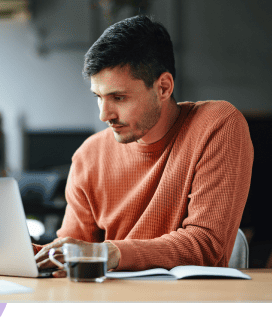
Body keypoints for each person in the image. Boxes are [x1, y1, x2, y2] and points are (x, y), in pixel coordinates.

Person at [34, 15, 254, 276]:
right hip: (107, 305)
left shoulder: (217, 124)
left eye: (119, 97)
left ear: (163, 87)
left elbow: (205, 245)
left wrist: (111, 252)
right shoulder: (89, 155)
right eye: (99, 97)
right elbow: (69, 255)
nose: (105, 115)